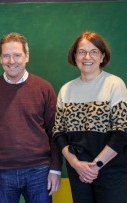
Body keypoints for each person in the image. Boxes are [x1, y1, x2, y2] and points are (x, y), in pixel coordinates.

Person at [0, 32, 62, 203]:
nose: (11, 61)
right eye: (6, 56)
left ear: (27, 56)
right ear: (0, 59)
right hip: (0, 174)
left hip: (40, 172)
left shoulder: (44, 88)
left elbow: (56, 132)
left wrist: (56, 169)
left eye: (17, 55)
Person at [53, 31, 127, 203]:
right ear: (74, 56)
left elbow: (122, 132)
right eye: (82, 51)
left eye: (94, 51)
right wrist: (75, 164)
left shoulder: (114, 85)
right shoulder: (66, 90)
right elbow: (58, 132)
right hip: (78, 172)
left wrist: (96, 166)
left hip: (111, 172)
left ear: (102, 56)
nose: (87, 56)